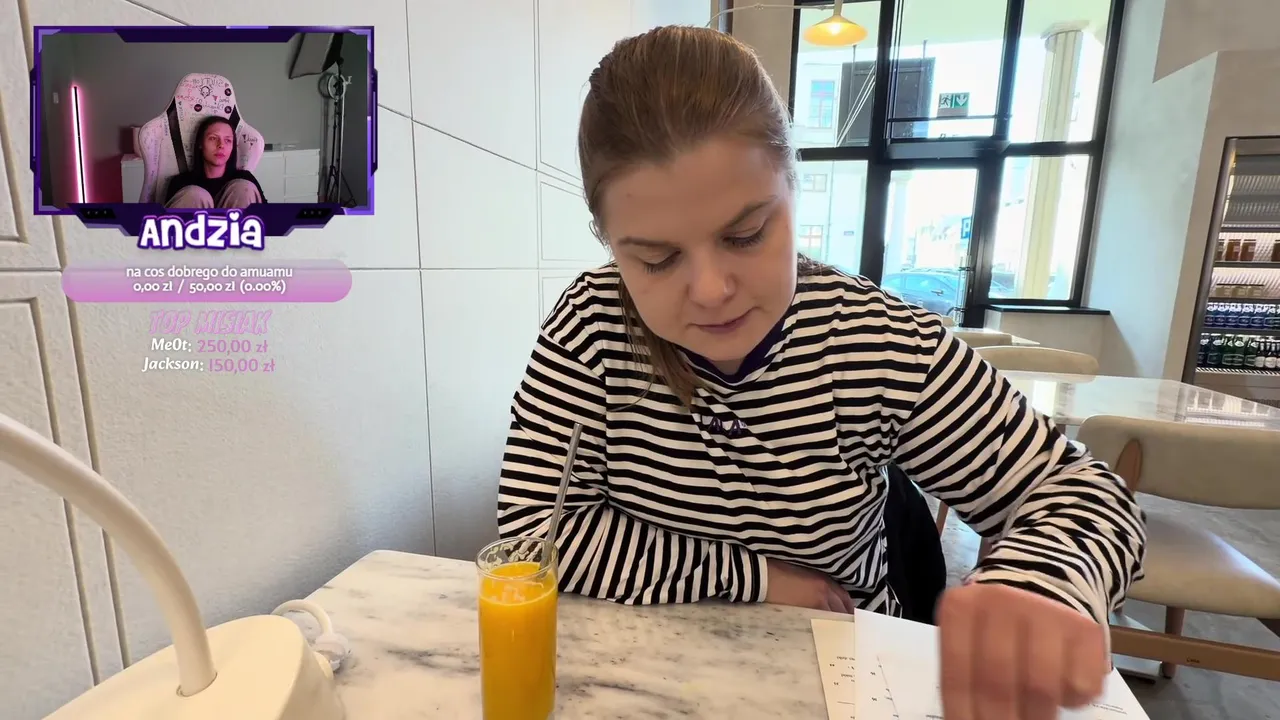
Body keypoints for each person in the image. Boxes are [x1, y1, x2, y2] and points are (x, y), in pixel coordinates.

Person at [498, 25, 1146, 720]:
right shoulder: (591, 328)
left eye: (746, 234)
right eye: (656, 259)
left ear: (794, 186)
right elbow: (531, 536)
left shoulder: (875, 342)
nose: (711, 290)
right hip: (631, 674)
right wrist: (756, 577)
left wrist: (1041, 586)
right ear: (608, 242)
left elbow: (1076, 491)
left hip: (839, 674)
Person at [164, 115, 266, 209]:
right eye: (213, 138)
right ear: (200, 143)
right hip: (191, 220)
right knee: (194, 195)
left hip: (239, 220)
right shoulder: (180, 182)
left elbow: (269, 217)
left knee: (242, 188)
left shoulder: (246, 179)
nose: (221, 145)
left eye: (228, 140)